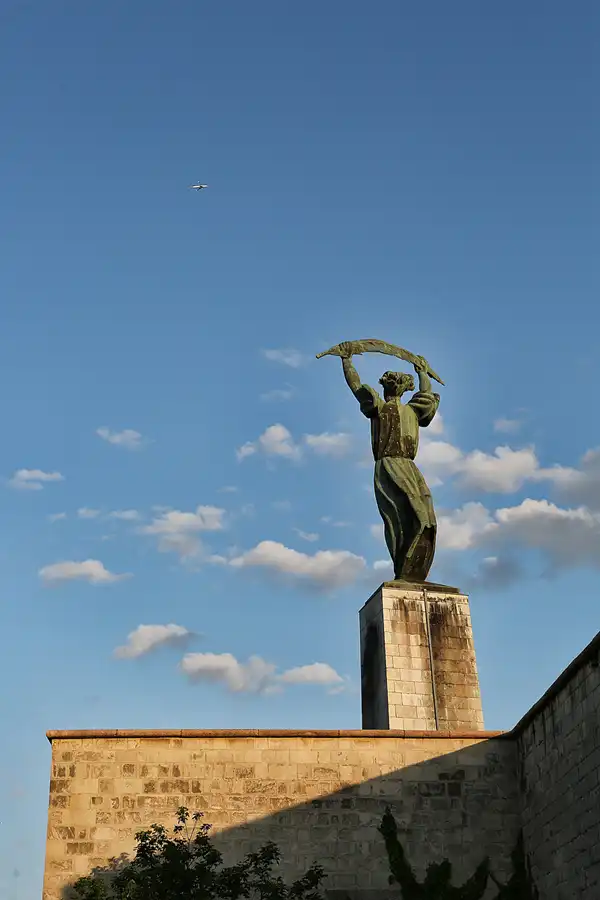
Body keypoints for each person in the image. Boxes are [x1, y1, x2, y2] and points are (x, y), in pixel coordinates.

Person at [339, 343, 440, 582]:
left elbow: (426, 397)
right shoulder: (378, 407)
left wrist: (422, 372)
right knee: (402, 516)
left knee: (427, 520)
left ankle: (415, 570)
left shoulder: (413, 410)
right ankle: (403, 569)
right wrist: (347, 361)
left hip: (410, 468)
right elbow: (356, 387)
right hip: (389, 466)